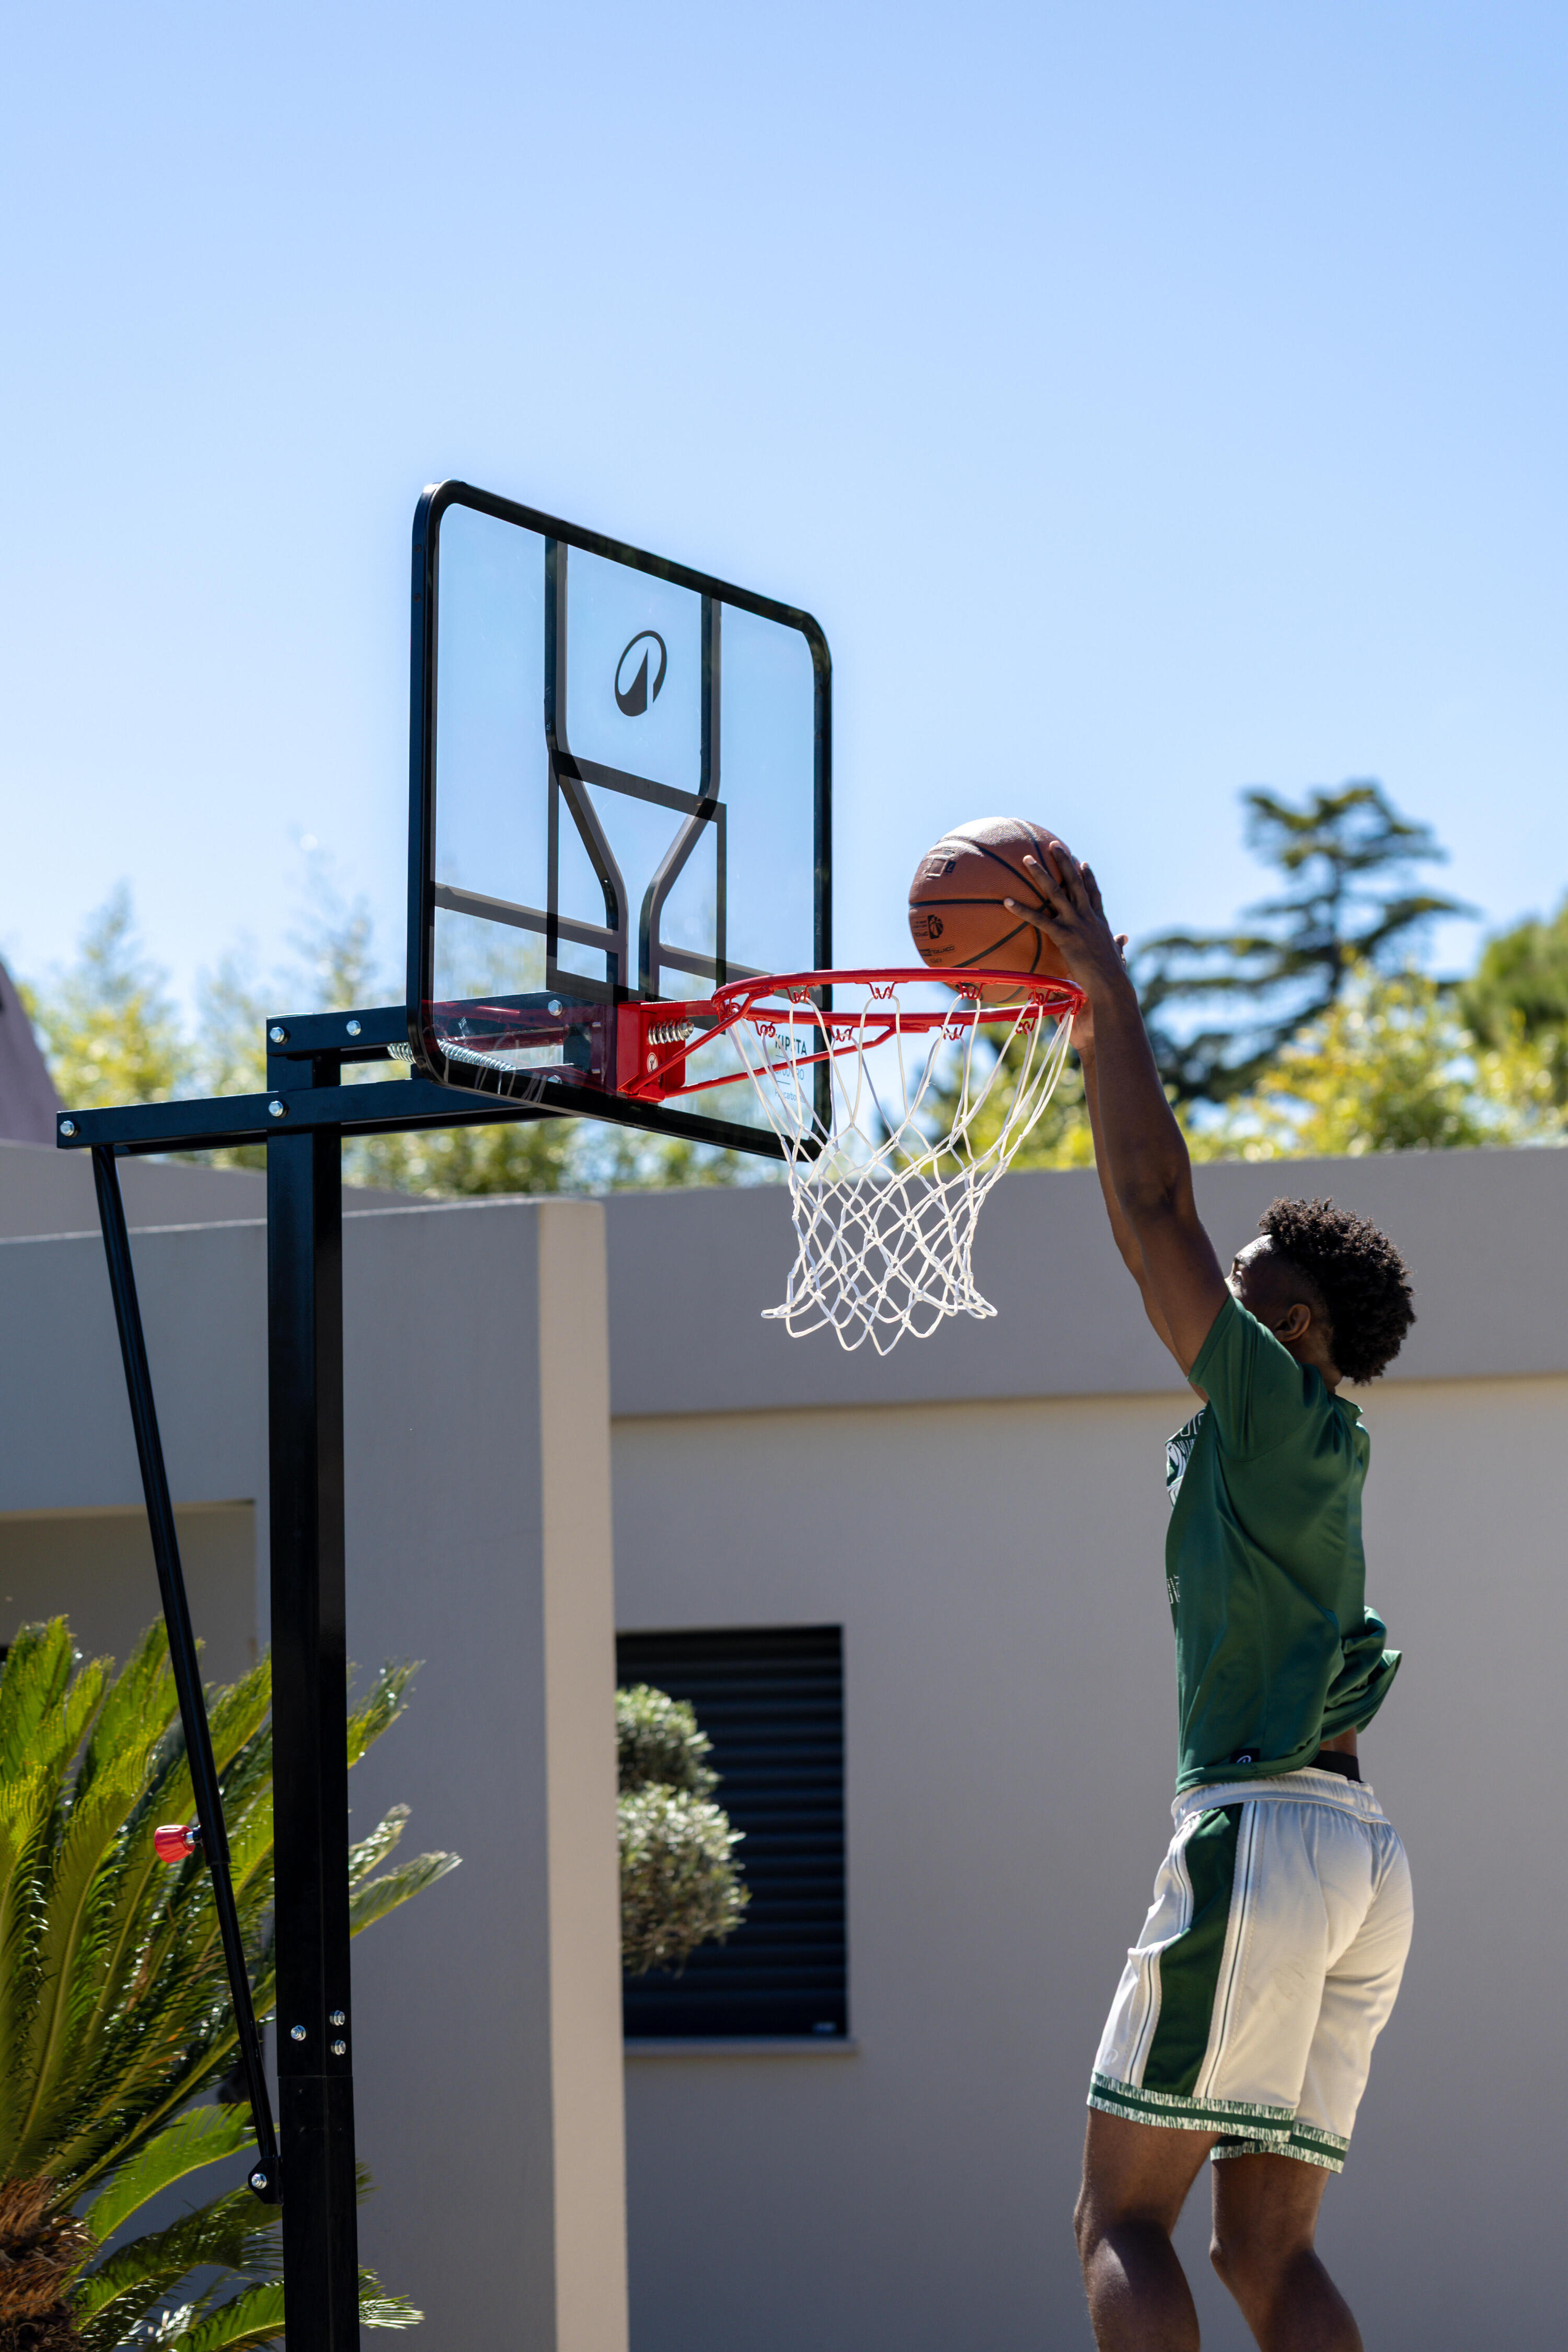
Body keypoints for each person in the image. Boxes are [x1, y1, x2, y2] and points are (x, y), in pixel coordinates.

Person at [1006, 844, 1416, 2352]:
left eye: (1241, 1291)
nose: (1210, 1302)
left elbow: (1148, 1198)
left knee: (1119, 2216)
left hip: (1267, 1833)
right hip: (1362, 1858)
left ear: (1296, 1325)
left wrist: (1104, 989)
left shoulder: (1270, 1402)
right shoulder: (1312, 1444)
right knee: (1263, 2252)